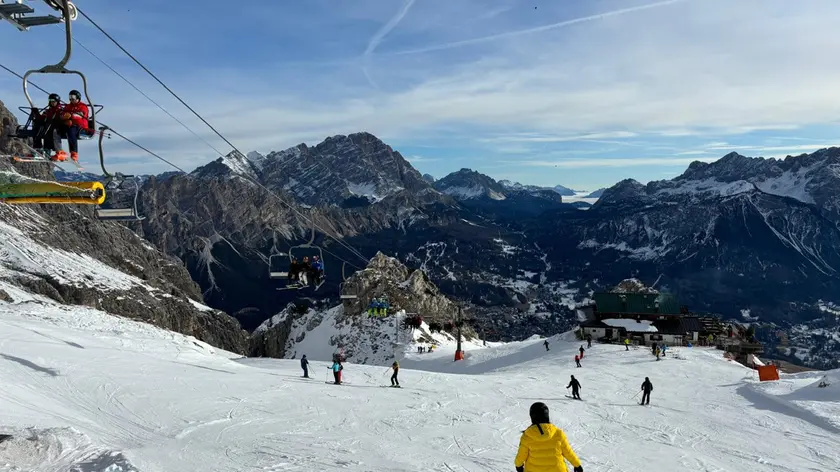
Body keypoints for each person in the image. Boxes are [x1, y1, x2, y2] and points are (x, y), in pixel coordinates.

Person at [514, 402, 583, 472]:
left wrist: (518, 465)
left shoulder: (527, 436)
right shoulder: (558, 433)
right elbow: (568, 452)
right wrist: (577, 465)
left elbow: (521, 456)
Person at [51, 89, 89, 162]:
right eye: (70, 97)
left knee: (71, 131)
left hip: (80, 126)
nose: (71, 99)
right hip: (69, 124)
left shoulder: (82, 106)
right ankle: (60, 152)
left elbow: (80, 115)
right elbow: (63, 112)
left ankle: (74, 153)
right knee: (56, 130)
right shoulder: (68, 106)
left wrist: (71, 116)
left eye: (73, 98)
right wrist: (62, 117)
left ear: (78, 98)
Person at [28, 93, 63, 157]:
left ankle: (47, 151)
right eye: (51, 101)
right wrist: (36, 112)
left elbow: (62, 118)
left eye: (54, 101)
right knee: (37, 129)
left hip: (55, 127)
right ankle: (37, 149)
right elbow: (41, 118)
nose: (52, 103)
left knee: (49, 132)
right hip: (47, 126)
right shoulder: (48, 111)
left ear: (57, 102)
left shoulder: (60, 110)